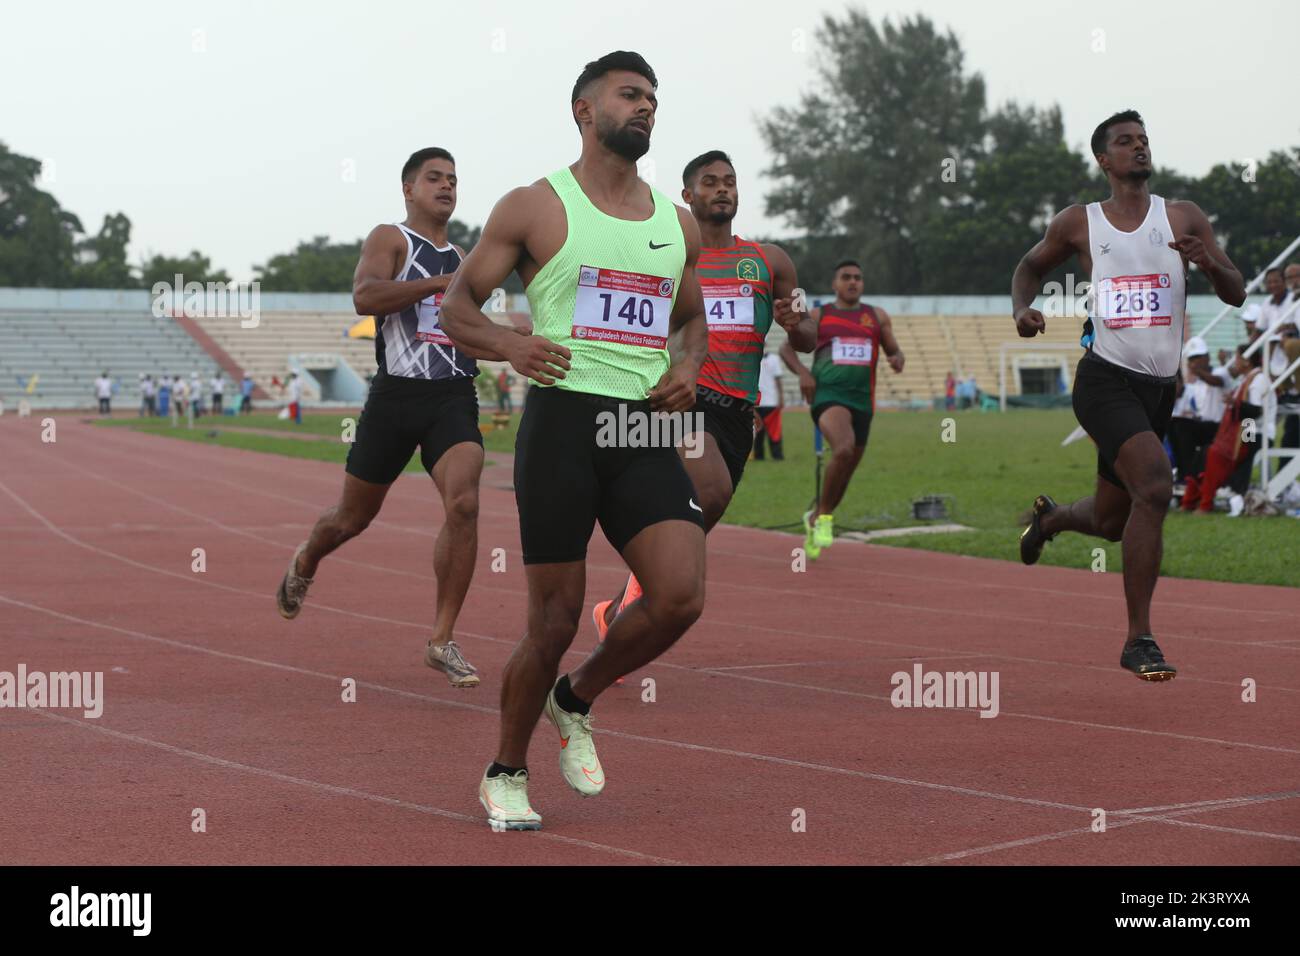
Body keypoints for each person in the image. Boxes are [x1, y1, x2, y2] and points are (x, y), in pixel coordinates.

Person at [439, 51, 708, 831]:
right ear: (584, 111)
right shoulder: (534, 205)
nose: (646, 107)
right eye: (630, 95)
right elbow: (459, 307)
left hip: (640, 421)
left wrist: (687, 365)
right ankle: (505, 770)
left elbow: (690, 318)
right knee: (552, 620)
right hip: (562, 422)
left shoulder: (673, 221)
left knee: (681, 595)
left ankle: (575, 696)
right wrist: (510, 347)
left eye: (654, 97)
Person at [1012, 109, 1245, 680]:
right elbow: (1029, 266)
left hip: (1159, 389)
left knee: (1115, 521)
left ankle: (1050, 520)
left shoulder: (1184, 215)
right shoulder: (1079, 223)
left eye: (1143, 140)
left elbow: (1235, 292)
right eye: (1125, 141)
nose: (1138, 148)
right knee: (1157, 486)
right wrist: (1023, 309)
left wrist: (1208, 261)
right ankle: (1139, 639)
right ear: (1103, 158)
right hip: (1105, 380)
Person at [276, 147, 505, 690]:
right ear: (409, 188)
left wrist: (517, 346)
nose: (447, 186)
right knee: (350, 520)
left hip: (452, 396)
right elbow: (365, 296)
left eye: (453, 179)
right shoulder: (392, 239)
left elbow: (473, 328)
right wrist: (433, 285)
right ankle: (308, 558)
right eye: (434, 178)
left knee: (466, 502)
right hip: (395, 399)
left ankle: (441, 640)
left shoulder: (470, 257)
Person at [589, 149, 809, 657]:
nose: (722, 189)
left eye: (729, 181)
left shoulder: (770, 261)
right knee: (707, 492)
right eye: (709, 182)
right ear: (688, 197)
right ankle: (647, 590)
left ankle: (621, 601)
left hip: (738, 412)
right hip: (683, 396)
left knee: (708, 501)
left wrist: (796, 323)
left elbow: (809, 337)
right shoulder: (671, 256)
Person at [780, 261, 904, 559]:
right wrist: (804, 374)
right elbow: (786, 349)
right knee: (844, 449)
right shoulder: (820, 315)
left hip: (863, 401)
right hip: (828, 396)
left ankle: (817, 516)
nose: (853, 282)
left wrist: (897, 359)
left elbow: (893, 350)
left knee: (846, 468)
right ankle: (823, 517)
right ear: (834, 284)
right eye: (846, 277)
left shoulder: (877, 317)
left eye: (858, 278)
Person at [1181, 347, 1267, 512]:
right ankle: (1190, 501)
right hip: (1246, 428)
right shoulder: (1247, 379)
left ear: (1246, 361)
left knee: (1215, 453)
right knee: (1205, 453)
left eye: (1237, 359)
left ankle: (1208, 502)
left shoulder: (1257, 380)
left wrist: (1234, 404)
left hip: (1254, 431)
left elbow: (1255, 412)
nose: (1234, 363)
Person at [754, 351, 787, 461]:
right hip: (757, 402)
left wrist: (781, 397)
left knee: (773, 431)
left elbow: (778, 379)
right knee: (758, 431)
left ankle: (776, 455)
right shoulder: (751, 357)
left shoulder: (774, 359)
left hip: (770, 401)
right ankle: (760, 456)